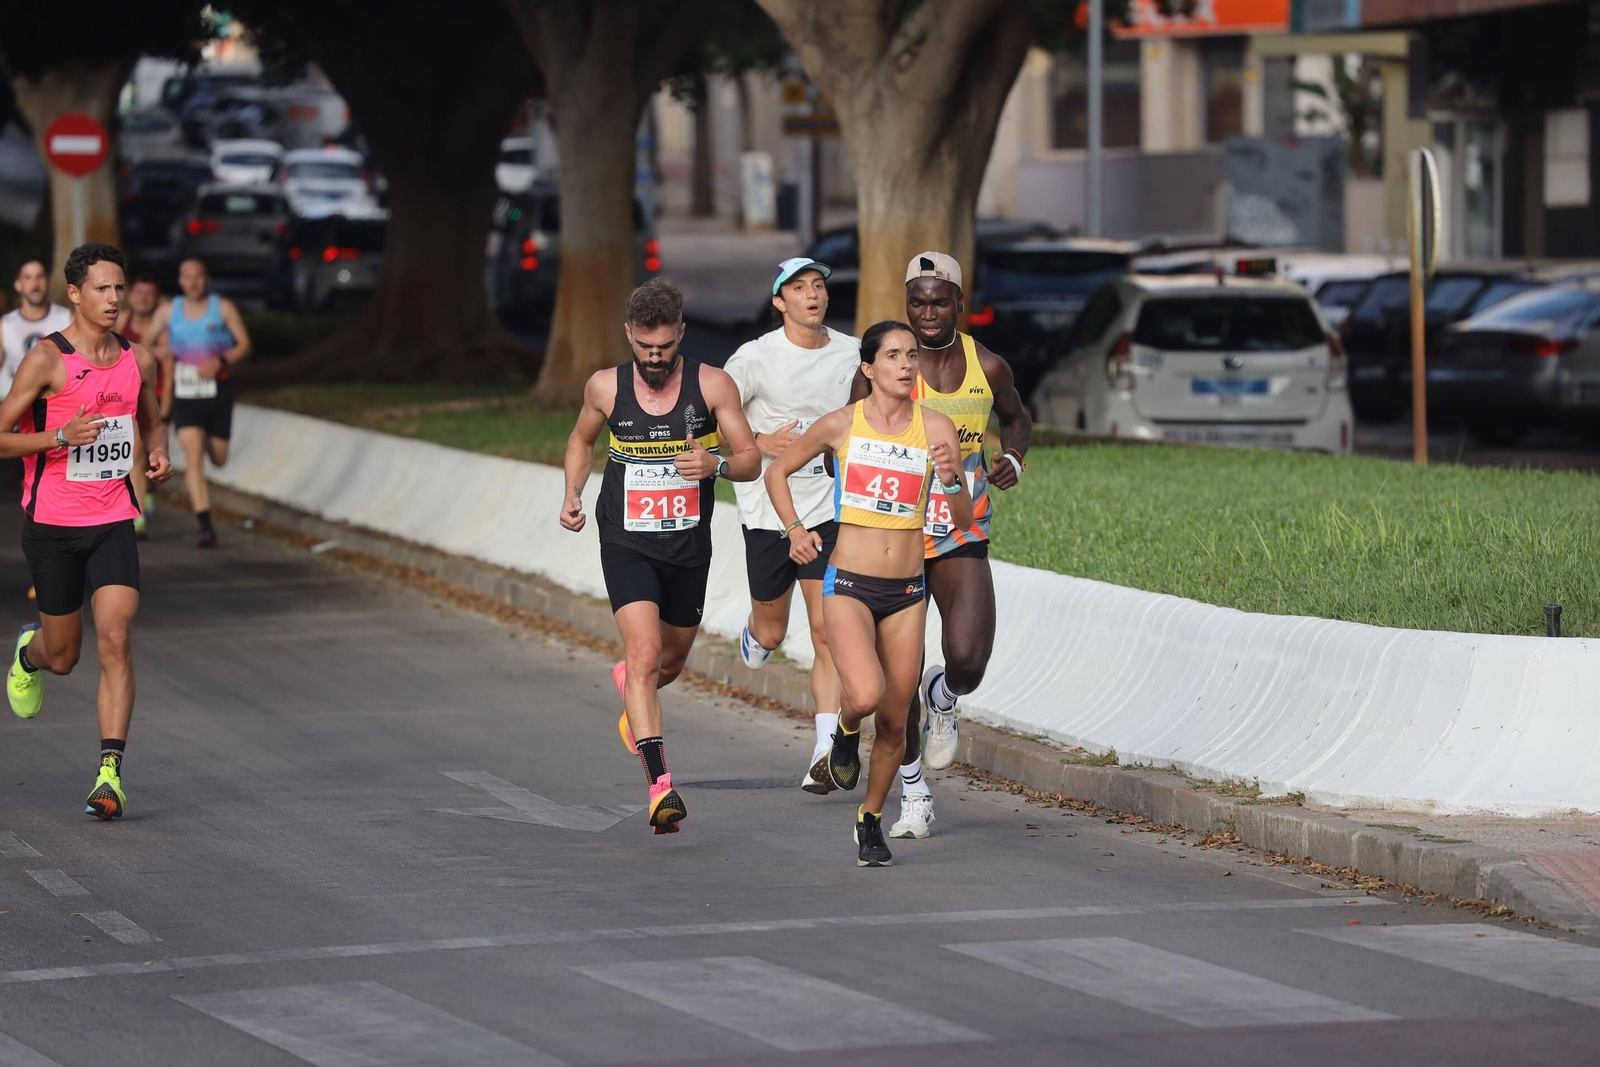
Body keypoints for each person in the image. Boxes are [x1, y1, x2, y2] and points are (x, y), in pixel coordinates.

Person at [559, 278, 759, 835]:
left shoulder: (712, 385)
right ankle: (660, 788)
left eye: (665, 347)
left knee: (667, 665)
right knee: (646, 654)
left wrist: (716, 466)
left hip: (688, 545)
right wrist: (573, 492)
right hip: (626, 539)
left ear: (681, 335)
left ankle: (633, 685)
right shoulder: (605, 387)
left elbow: (750, 458)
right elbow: (581, 441)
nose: (654, 357)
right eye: (644, 347)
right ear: (629, 335)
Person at [767, 321, 970, 867]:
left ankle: (871, 818)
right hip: (850, 585)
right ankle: (844, 731)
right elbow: (777, 473)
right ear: (868, 367)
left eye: (912, 355)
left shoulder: (936, 428)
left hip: (907, 591)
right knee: (863, 695)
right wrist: (795, 531)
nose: (906, 365)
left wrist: (952, 480)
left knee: (896, 720)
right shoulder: (841, 424)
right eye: (894, 355)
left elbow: (962, 519)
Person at [849, 252, 1033, 840]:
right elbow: (848, 436)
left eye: (938, 302)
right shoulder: (885, 368)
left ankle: (944, 692)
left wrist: (1013, 458)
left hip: (960, 527)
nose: (927, 313)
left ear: (959, 302)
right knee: (894, 687)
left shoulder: (988, 365)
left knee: (970, 659)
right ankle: (914, 793)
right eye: (917, 302)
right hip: (893, 539)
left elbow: (1018, 417)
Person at [0, 242, 173, 820]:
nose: (114, 298)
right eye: (102, 288)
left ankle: (109, 774)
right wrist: (59, 437)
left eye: (119, 287)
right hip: (52, 526)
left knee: (116, 637)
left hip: (112, 518)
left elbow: (152, 420)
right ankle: (29, 654)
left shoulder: (137, 359)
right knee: (64, 656)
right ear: (74, 293)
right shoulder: (46, 360)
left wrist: (159, 453)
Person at [722, 257, 858, 793]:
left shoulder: (852, 354)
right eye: (798, 288)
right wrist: (759, 443)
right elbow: (711, 419)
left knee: (827, 631)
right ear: (779, 302)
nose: (812, 294)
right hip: (766, 510)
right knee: (773, 631)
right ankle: (756, 634)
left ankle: (824, 752)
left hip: (827, 509)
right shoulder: (753, 358)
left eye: (818, 285)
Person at [145, 258, 250, 548]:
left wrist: (221, 361)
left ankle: (206, 442)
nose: (193, 283)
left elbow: (244, 344)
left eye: (198, 277)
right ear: (180, 281)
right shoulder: (169, 310)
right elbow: (145, 339)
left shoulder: (223, 308)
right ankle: (206, 527)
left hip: (218, 392)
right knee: (194, 461)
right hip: (186, 394)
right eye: (187, 277)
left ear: (207, 279)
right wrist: (161, 351)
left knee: (219, 458)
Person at [3, 260, 75, 597]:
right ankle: (46, 568)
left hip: (57, 415)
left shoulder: (64, 318)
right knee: (32, 492)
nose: (34, 283)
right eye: (27, 278)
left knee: (55, 490)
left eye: (40, 277)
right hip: (17, 417)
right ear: (18, 285)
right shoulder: (5, 326)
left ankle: (57, 567)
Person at [114, 274, 170, 538]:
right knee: (135, 454)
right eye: (138, 293)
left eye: (150, 294)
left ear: (157, 300)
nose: (143, 299)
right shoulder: (121, 320)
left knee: (151, 459)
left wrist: (165, 409)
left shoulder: (162, 331)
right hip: (128, 399)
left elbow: (169, 372)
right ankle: (137, 516)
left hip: (154, 399)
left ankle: (145, 497)